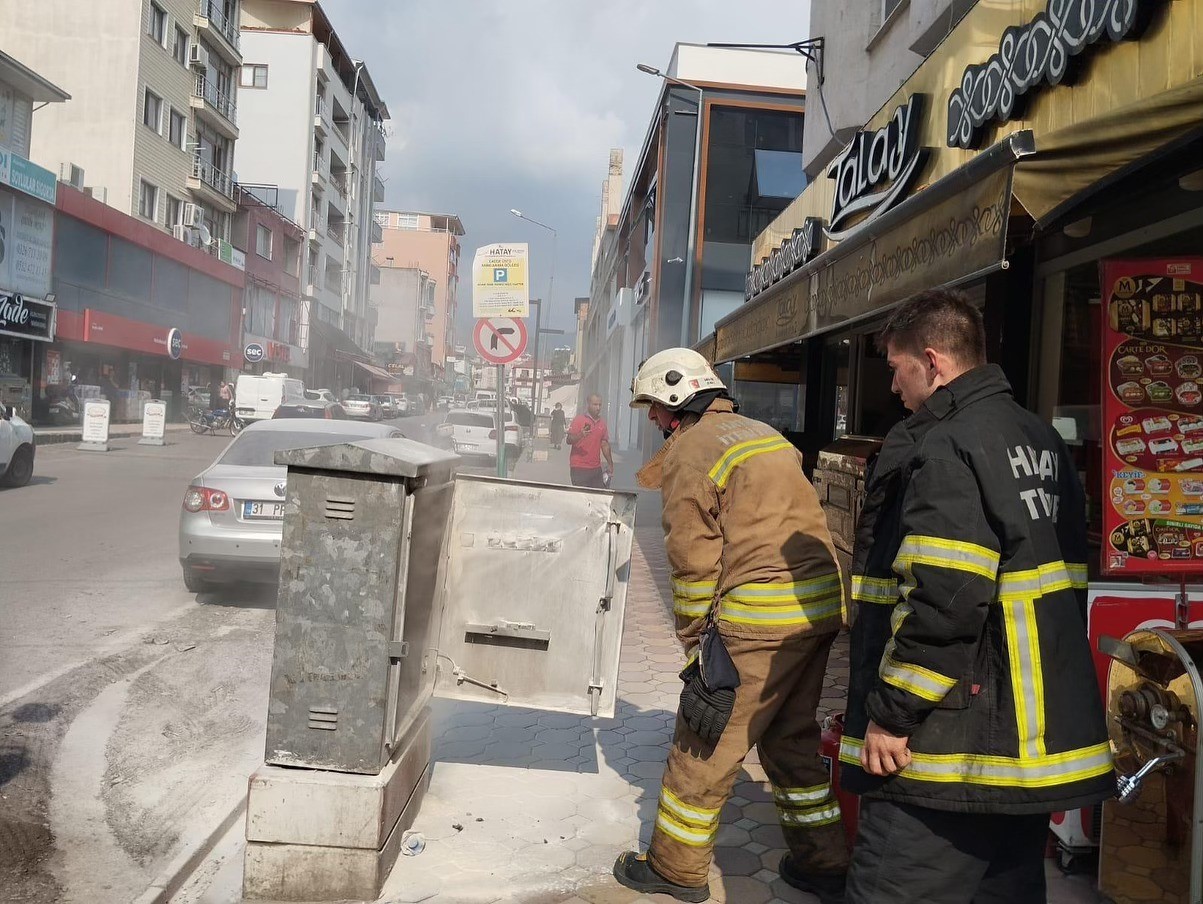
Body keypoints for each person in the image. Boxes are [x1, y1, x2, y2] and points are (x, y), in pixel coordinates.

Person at [841, 290, 1113, 903]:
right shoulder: (1040, 440)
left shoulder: (947, 445)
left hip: (951, 744)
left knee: (889, 888)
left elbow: (946, 596)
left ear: (932, 362)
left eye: (896, 368)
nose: (893, 387)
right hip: (1026, 745)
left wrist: (892, 712)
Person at [613, 348, 850, 904]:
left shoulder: (693, 451)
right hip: (817, 613)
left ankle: (675, 869)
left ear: (677, 398)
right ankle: (825, 863)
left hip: (757, 623)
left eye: (653, 407)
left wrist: (699, 650)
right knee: (790, 743)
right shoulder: (762, 434)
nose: (650, 419)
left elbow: (693, 564)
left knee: (704, 741)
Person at [566, 394, 613, 488]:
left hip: (596, 468)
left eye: (600, 405)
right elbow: (569, 440)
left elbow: (604, 445)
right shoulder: (579, 420)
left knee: (598, 497)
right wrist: (580, 435)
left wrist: (610, 463)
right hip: (579, 467)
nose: (598, 407)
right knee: (582, 498)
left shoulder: (602, 424)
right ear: (588, 404)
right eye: (595, 404)